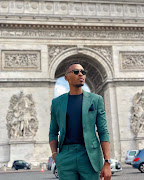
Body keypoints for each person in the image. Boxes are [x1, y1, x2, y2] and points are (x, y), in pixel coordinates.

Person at [49, 63, 111, 180]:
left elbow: (103, 131)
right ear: (66, 77)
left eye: (83, 72)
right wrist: (55, 155)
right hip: (66, 156)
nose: (81, 74)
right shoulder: (57, 103)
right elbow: (53, 131)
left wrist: (107, 162)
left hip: (89, 156)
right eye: (76, 72)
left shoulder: (96, 100)